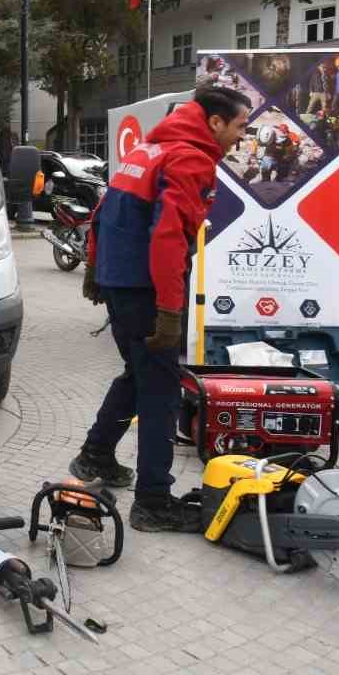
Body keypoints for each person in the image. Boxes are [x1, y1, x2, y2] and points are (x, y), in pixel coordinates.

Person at [71, 85, 252, 531]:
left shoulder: (150, 148)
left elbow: (103, 211)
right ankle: (153, 501)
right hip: (148, 290)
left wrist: (97, 270)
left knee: (138, 374)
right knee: (161, 391)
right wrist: (170, 311)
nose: (242, 137)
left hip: (122, 284)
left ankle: (95, 456)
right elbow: (169, 238)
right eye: (241, 126)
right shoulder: (189, 158)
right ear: (215, 122)